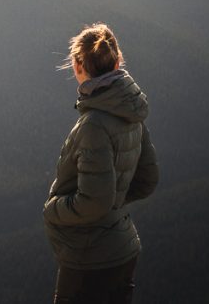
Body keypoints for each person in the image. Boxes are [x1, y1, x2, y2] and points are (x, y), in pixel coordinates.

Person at [43, 23, 159, 304]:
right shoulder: (130, 113)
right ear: (118, 62)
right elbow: (147, 181)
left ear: (77, 66)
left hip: (90, 259)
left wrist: (53, 209)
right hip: (123, 251)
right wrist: (114, 202)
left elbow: (95, 202)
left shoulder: (93, 124)